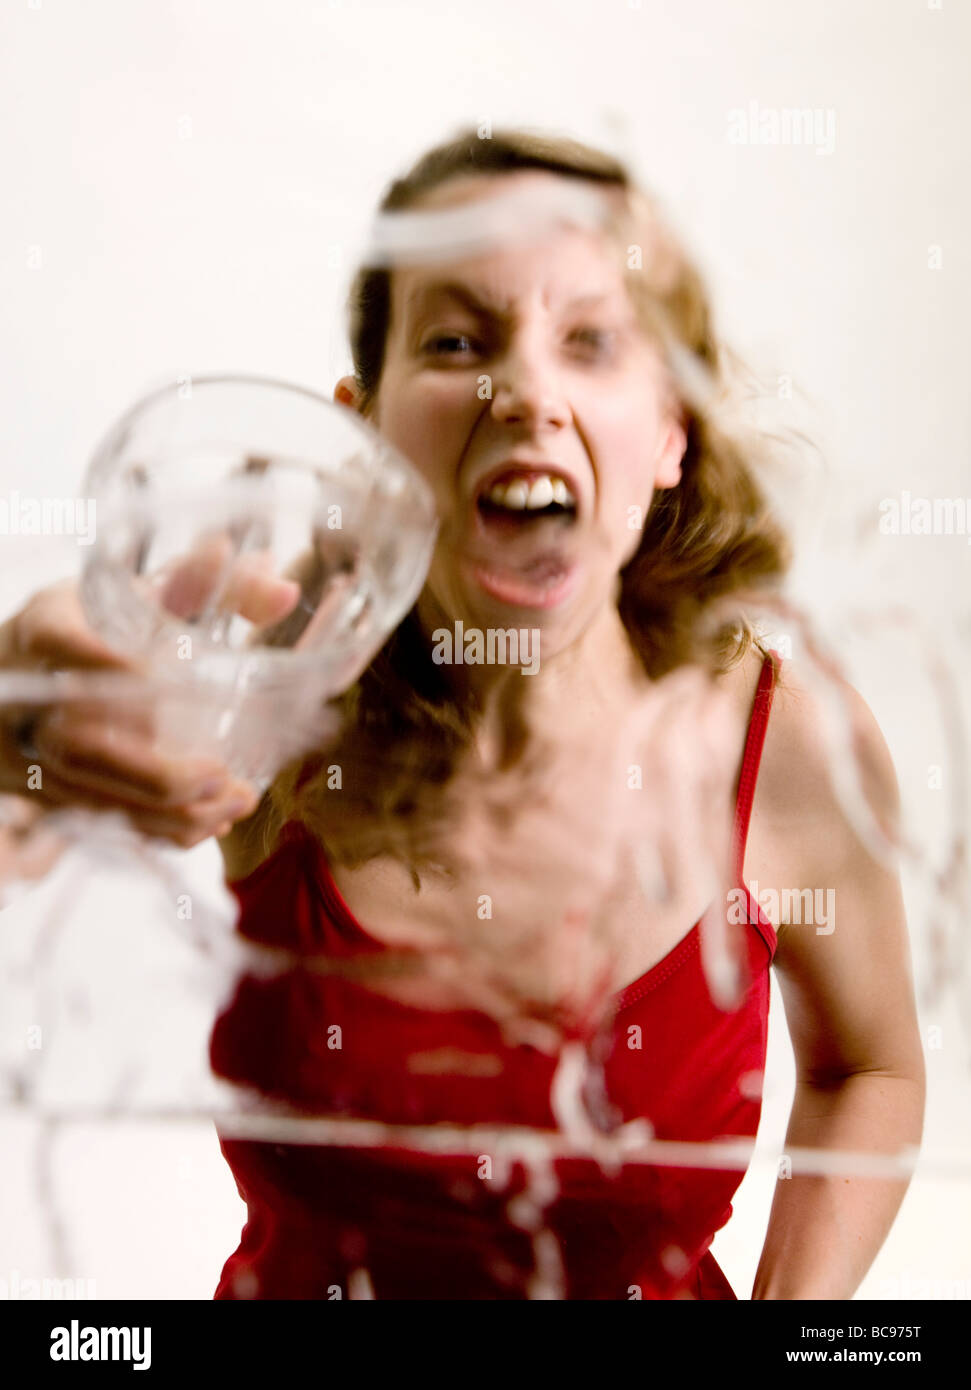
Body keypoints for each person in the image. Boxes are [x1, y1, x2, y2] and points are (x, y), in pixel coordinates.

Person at [0, 127, 925, 1300]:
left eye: (591, 343)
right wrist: (20, 739)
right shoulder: (275, 698)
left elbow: (868, 1069)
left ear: (669, 433)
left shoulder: (782, 743)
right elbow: (44, 815)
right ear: (364, 434)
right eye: (455, 339)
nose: (527, 390)